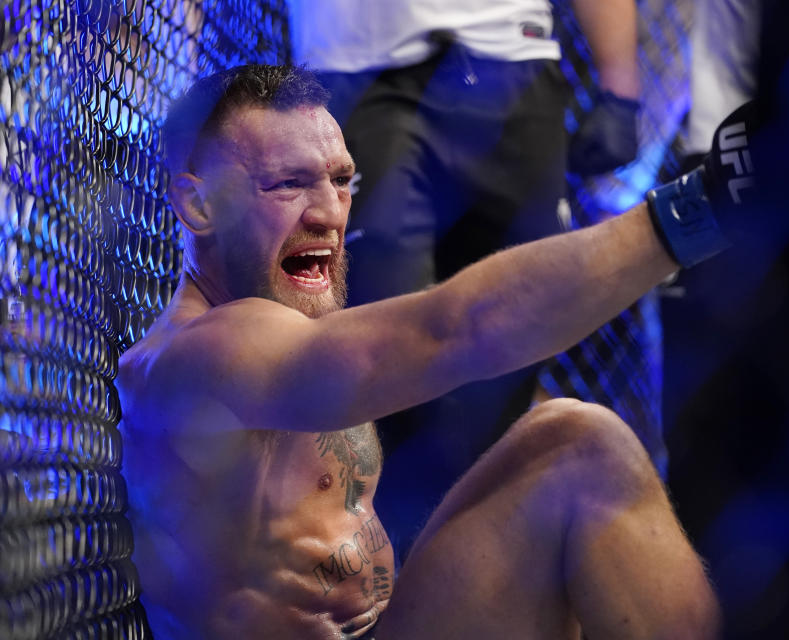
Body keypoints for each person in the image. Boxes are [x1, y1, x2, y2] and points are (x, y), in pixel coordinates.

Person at [118, 64, 746, 639]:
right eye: (286, 185)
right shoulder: (194, 358)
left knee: (555, 442)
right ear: (199, 206)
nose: (329, 214)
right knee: (578, 448)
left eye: (341, 180)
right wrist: (702, 207)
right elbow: (452, 330)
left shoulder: (301, 333)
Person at [286, 0, 648, 559]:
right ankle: (403, 560)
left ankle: (486, 562)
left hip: (512, 57)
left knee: (519, 330)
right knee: (385, 333)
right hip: (357, 67)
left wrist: (620, 84)